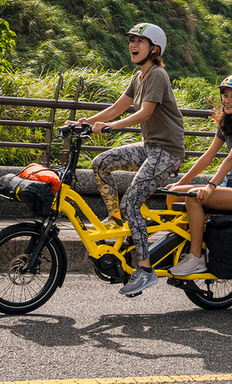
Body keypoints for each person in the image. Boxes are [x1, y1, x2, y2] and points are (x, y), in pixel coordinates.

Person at [66, 23, 186, 296]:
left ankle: (145, 270)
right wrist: (88, 121)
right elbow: (119, 106)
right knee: (101, 163)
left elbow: (144, 112)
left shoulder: (157, 75)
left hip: (167, 152)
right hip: (150, 146)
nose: (132, 45)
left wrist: (112, 127)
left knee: (133, 200)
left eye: (139, 41)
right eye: (131, 40)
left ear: (153, 49)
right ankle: (116, 217)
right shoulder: (139, 75)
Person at [165, 75, 232, 276]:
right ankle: (182, 243)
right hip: (230, 185)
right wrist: (179, 182)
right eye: (225, 95)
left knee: (194, 198)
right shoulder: (226, 122)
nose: (227, 100)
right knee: (174, 193)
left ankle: (196, 257)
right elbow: (207, 157)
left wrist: (210, 186)